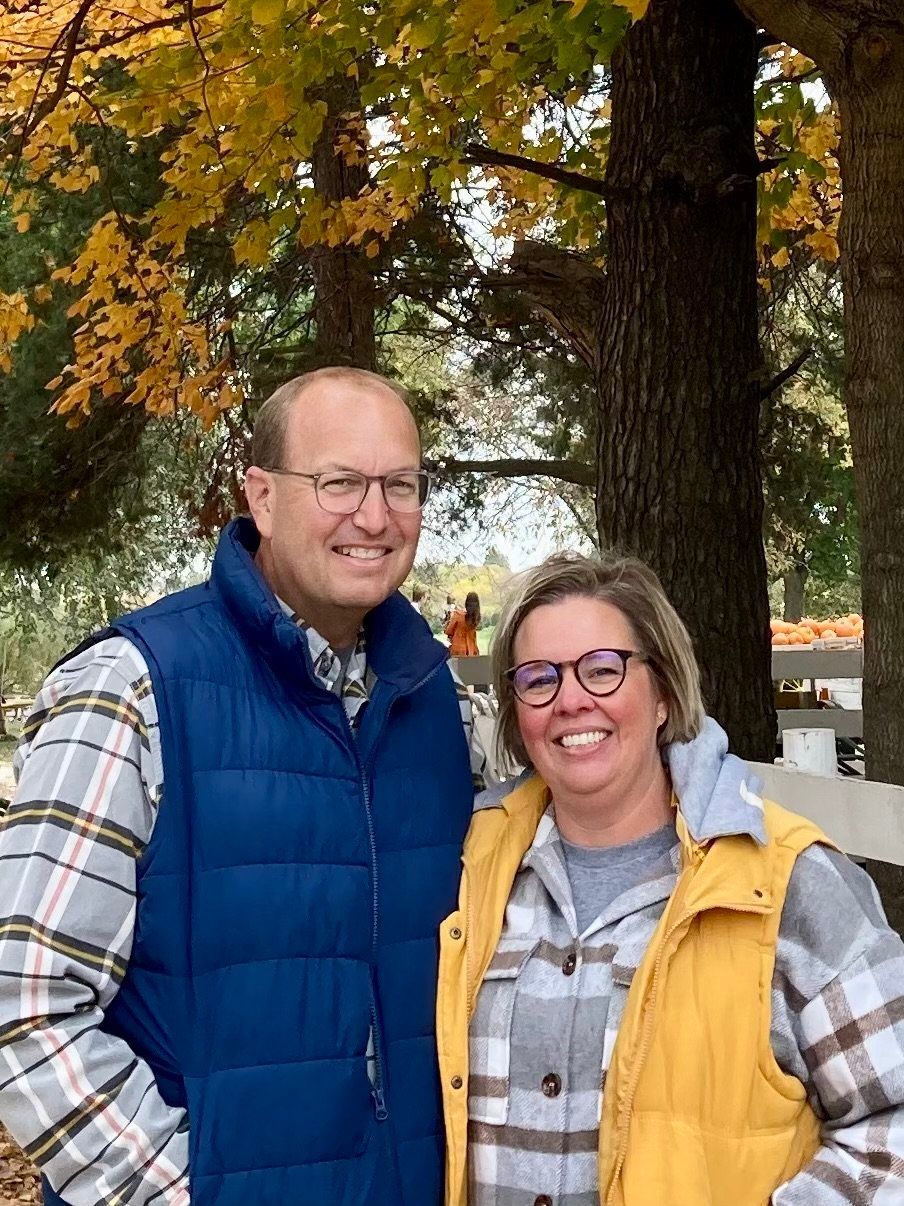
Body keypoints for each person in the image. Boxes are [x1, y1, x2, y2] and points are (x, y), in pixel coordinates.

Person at [0, 367, 475, 1206]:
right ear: (261, 495)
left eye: (401, 484)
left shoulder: (444, 711)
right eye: (339, 483)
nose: (375, 515)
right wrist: (184, 1192)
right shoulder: (132, 688)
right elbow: (26, 999)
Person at [437, 552, 904, 1205]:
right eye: (539, 679)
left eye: (602, 670)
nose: (571, 700)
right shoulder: (470, 873)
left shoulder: (786, 883)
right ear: (517, 712)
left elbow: (891, 1127)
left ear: (662, 693)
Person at [445, 591, 480, 658]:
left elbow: (449, 631)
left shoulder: (458, 615)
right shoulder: (476, 618)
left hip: (458, 651)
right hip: (471, 651)